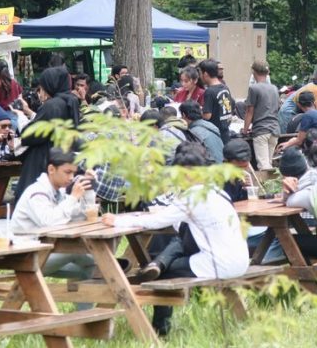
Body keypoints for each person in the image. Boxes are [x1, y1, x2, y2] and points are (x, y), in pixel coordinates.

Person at [102, 142, 250, 335]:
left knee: (161, 275)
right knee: (169, 258)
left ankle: (160, 329)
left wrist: (117, 220)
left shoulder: (192, 196)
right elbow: (181, 225)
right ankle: (158, 266)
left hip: (219, 264)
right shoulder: (217, 191)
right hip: (240, 260)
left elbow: (155, 222)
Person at [12, 149, 96, 301]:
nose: (71, 178)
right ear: (51, 169)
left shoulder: (59, 192)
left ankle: (82, 314)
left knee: (92, 268)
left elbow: (80, 217)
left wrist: (88, 190)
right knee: (77, 252)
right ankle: (113, 265)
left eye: (73, 173)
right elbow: (50, 223)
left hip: (45, 253)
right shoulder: (37, 193)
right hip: (26, 258)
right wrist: (73, 197)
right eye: (67, 172)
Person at [15, 66, 80, 201]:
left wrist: (22, 120)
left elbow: (30, 135)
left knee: (35, 199)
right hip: (60, 156)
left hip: (42, 158)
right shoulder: (70, 100)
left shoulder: (52, 105)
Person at [243, 60, 280, 170]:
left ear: (253, 72)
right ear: (267, 73)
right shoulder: (274, 88)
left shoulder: (254, 88)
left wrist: (245, 130)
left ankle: (266, 182)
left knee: (263, 166)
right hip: (275, 130)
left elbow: (249, 112)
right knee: (269, 163)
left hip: (261, 130)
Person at [276, 91, 317, 156]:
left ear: (299, 104)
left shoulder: (308, 115)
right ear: (314, 102)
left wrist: (286, 145)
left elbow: (299, 140)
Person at [199, 59, 233, 144]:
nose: (200, 76)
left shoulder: (209, 91)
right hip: (225, 130)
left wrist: (198, 112)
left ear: (205, 74)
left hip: (215, 133)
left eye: (200, 73)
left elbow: (207, 115)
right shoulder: (225, 87)